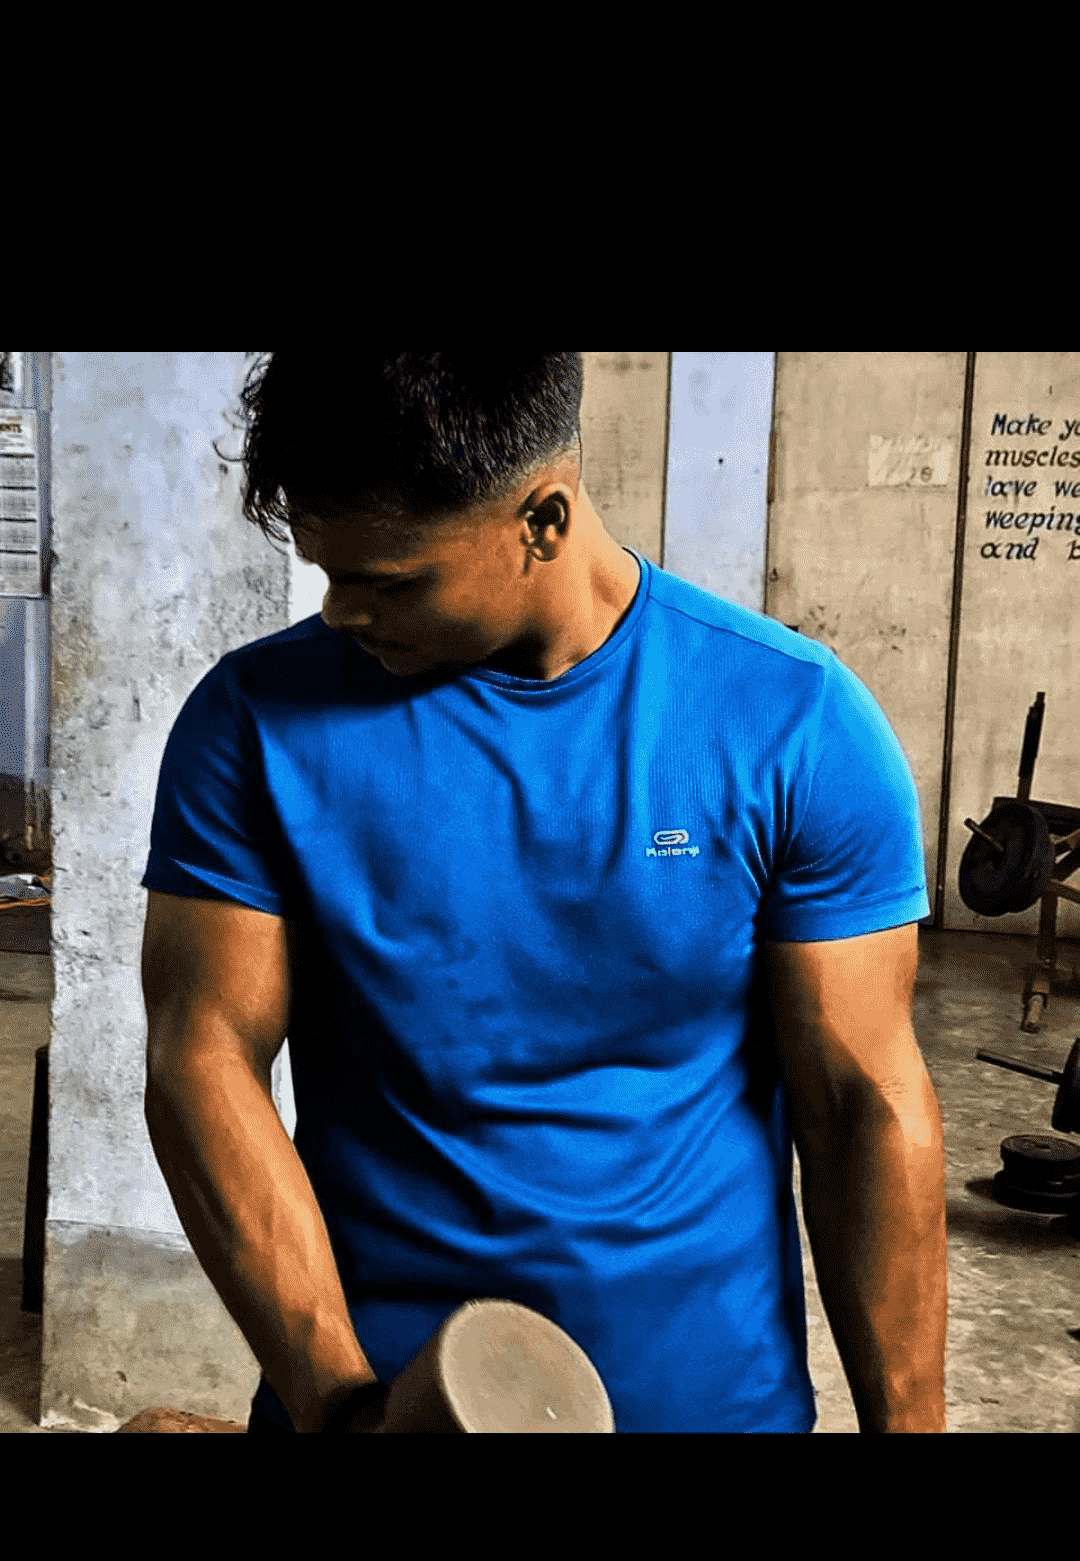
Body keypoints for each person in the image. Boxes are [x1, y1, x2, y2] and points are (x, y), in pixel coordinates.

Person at [140, 352, 947, 1433]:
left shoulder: (792, 724)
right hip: (383, 1399)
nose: (339, 612)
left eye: (390, 581)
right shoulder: (251, 723)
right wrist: (340, 1406)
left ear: (545, 520)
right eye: (328, 572)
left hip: (707, 1406)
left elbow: (860, 1106)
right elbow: (201, 1058)